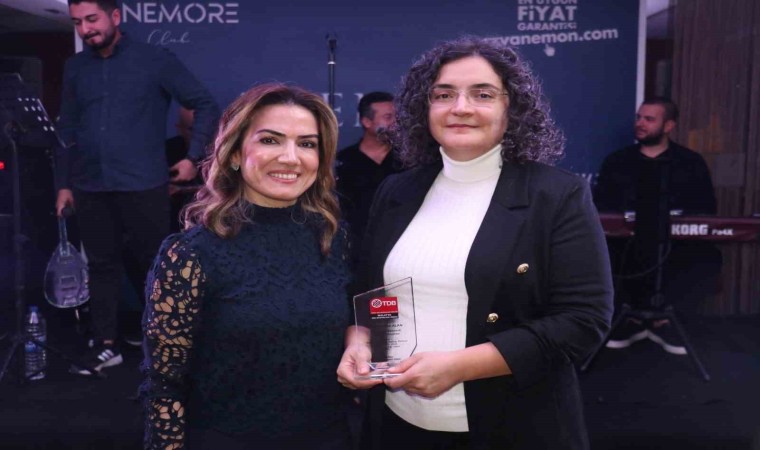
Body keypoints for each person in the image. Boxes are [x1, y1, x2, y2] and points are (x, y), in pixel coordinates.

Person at [336, 36, 613, 450]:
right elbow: (379, 293)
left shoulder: (556, 195)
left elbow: (583, 321)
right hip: (395, 423)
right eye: (444, 94)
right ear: (424, 108)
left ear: (511, 108)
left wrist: (459, 367)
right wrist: (362, 341)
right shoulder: (397, 190)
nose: (460, 107)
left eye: (482, 94)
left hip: (511, 425)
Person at [140, 83, 353, 449]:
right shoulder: (190, 255)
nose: (291, 158)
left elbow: (361, 321)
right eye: (270, 140)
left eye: (307, 144)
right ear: (236, 152)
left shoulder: (334, 238)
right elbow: (164, 385)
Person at [55, 0, 219, 372]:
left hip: (143, 183)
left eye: (92, 19)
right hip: (89, 183)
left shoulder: (154, 59)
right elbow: (67, 128)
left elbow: (204, 103)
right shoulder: (75, 67)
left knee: (154, 266)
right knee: (101, 265)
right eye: (78, 22)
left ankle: (167, 346)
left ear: (115, 16)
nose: (85, 29)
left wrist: (192, 156)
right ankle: (106, 345)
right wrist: (63, 183)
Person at [594, 97, 719, 354]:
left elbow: (705, 209)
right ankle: (628, 320)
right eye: (639, 117)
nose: (640, 123)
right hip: (626, 243)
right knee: (604, 256)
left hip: (675, 244)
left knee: (707, 258)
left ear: (669, 125)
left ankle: (668, 322)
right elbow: (602, 209)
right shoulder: (617, 162)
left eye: (649, 119)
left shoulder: (690, 162)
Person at [336, 92, 402, 251]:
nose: (395, 122)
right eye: (388, 117)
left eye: (397, 117)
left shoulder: (409, 159)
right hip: (356, 248)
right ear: (366, 121)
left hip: (401, 244)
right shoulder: (343, 161)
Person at [166, 107, 202, 232]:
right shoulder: (166, 152)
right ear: (179, 129)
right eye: (193, 129)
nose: (201, 137)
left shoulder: (226, 152)